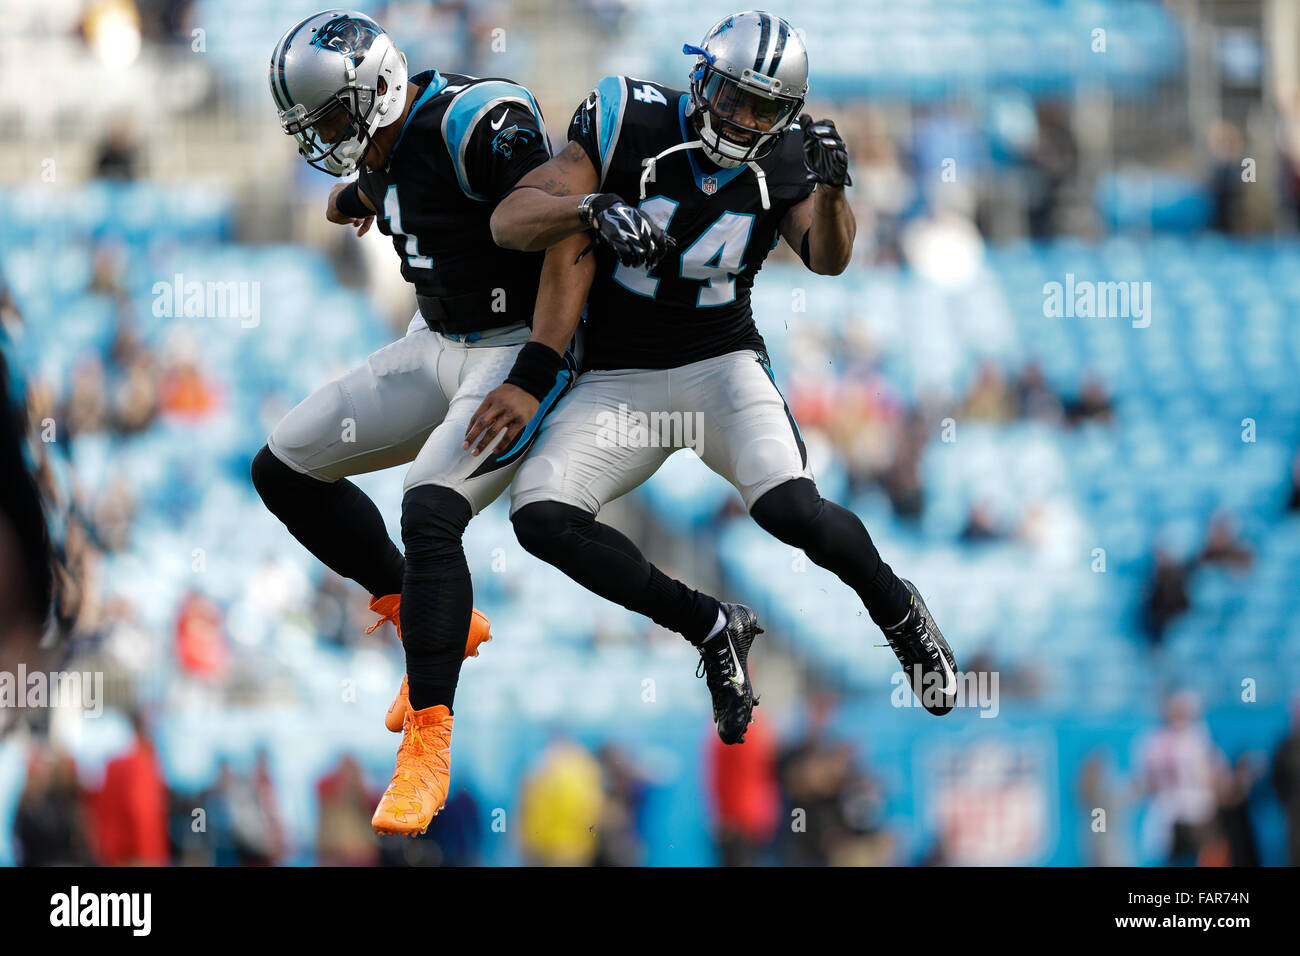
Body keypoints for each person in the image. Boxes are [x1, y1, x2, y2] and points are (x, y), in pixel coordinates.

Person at [466, 11, 959, 737]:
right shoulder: (628, 119)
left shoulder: (789, 156)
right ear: (701, 78)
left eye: (763, 107)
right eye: (731, 95)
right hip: (618, 376)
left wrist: (833, 192)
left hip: (720, 363)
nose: (741, 117)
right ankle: (708, 624)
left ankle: (898, 612)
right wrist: (589, 206)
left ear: (786, 115)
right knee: (541, 517)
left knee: (790, 509)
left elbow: (828, 258)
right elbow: (511, 220)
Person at [254, 11, 602, 835]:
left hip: (516, 346)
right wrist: (361, 191)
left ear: (378, 88)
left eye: (336, 120)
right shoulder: (389, 141)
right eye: (316, 128)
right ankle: (414, 607)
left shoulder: (481, 125)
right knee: (283, 469)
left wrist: (539, 368)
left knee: (430, 508)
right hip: (439, 339)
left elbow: (567, 233)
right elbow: (397, 172)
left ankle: (429, 744)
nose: (329, 138)